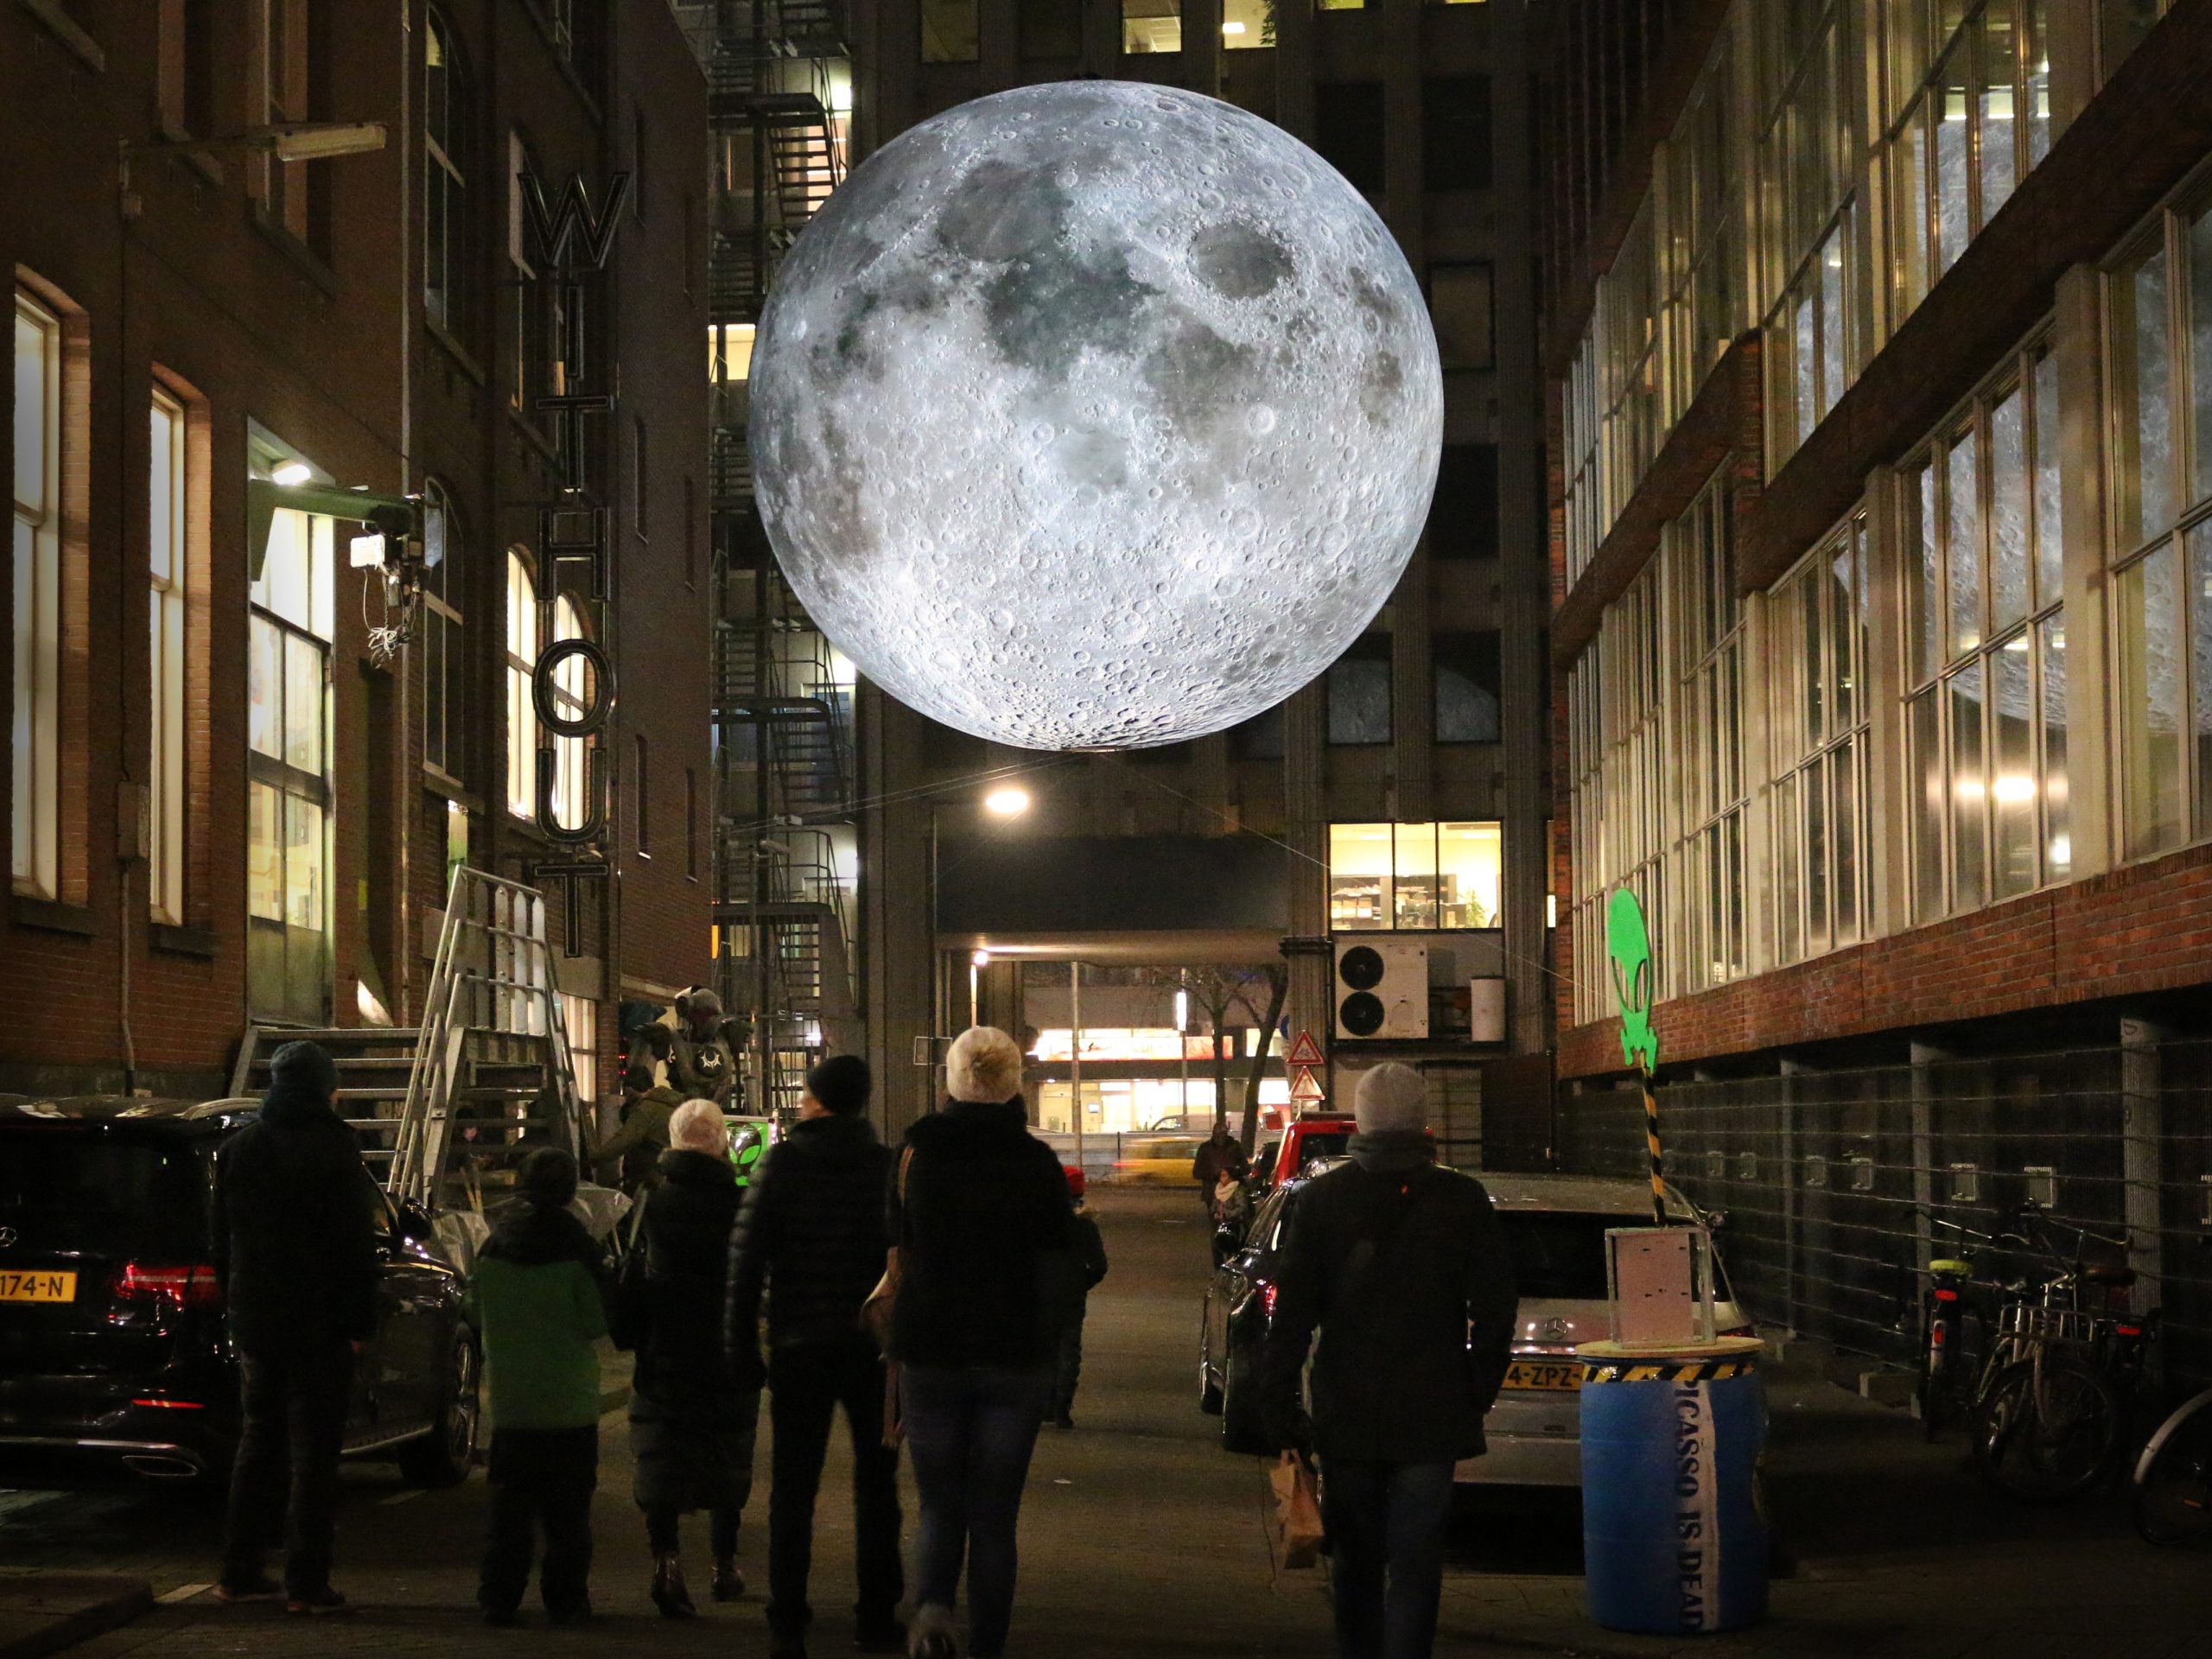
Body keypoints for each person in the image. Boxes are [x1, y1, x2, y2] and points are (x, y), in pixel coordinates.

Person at [1260, 1063, 1517, 1659]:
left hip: (1347, 1407)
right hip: (1433, 1409)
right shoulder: (1462, 1199)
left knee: (1354, 1559)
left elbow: (1292, 1313)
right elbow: (1497, 1306)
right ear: (1423, 1122)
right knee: (1417, 1563)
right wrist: (1477, 1388)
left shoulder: (1322, 1199)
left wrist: (1279, 1405)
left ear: (1363, 1121)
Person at [892, 1027, 1075, 1659]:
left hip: (932, 1347)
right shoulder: (1035, 1162)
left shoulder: (918, 1153)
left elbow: (897, 1238)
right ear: (1013, 1083)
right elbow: (1062, 1258)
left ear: (951, 1077)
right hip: (1013, 1351)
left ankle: (932, 1612)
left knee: (939, 1503)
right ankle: (988, 1644)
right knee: (995, 1516)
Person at [725, 1055, 905, 1659]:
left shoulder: (781, 1165)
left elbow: (746, 1262)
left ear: (816, 1099)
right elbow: (903, 1259)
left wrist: (742, 1346)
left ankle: (788, 1621)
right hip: (869, 1348)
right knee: (877, 1486)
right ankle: (876, 1615)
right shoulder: (884, 1169)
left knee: (793, 1489)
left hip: (799, 1344)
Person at [213, 1039, 381, 1616]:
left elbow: (222, 1243)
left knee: (257, 1441)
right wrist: (359, 1322)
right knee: (315, 1455)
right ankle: (308, 1583)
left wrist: (238, 1304)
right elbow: (356, 1246)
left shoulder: (239, 1148)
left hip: (257, 1321)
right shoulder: (336, 1148)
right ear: (322, 1087)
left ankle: (239, 1571)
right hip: (320, 1323)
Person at [467, 1147, 613, 1627]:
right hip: (569, 1401)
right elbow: (595, 1321)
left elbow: (473, 1309)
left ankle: (498, 1598)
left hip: (511, 1401)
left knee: (509, 1512)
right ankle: (566, 1600)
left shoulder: (493, 1248)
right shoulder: (577, 1249)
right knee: (568, 1515)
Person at [624, 1100, 758, 1618]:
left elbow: (634, 1272)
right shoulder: (740, 1201)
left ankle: (667, 1562)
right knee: (727, 1453)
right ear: (722, 1141)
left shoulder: (651, 1198)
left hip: (664, 1348)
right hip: (724, 1350)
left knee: (661, 1453)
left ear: (673, 1142)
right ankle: (723, 1566)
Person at [1049, 1166, 1109, 1431]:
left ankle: (1044, 1406)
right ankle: (1062, 1408)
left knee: (1042, 1350)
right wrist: (1081, 1284)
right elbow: (1099, 1265)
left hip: (1039, 1294)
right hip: (1071, 1295)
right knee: (1068, 1351)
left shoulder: (1037, 1222)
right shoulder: (1084, 1224)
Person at [593, 1062, 681, 1194]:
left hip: (649, 1179)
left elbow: (624, 1140)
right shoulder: (669, 1104)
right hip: (669, 1175)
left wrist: (594, 1156)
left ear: (630, 1089)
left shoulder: (646, 1109)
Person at [669, 988, 741, 1104]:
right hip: (689, 1103)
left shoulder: (725, 1036)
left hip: (712, 1103)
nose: (701, 1022)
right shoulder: (681, 1038)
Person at [1192, 1121, 1249, 1206]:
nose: (1220, 1137)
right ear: (1213, 1134)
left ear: (1226, 1134)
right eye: (1218, 1134)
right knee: (1216, 1216)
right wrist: (1214, 1175)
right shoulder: (1205, 1148)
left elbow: (1246, 1168)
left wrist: (1232, 1174)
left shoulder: (1235, 1147)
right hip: (1212, 1192)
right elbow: (1197, 1172)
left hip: (1232, 1192)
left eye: (1222, 1134)